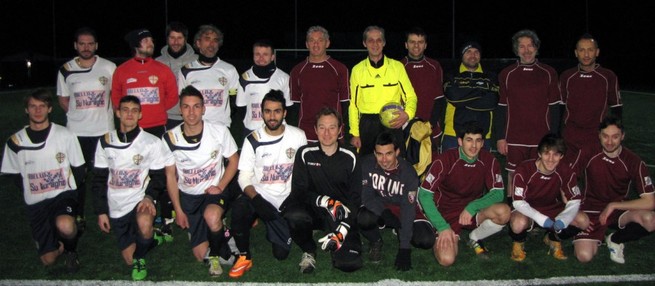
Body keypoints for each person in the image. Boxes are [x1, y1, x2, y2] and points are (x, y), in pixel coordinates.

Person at [1, 89, 85, 273]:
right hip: (36, 202)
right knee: (48, 260)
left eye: (42, 106)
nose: (37, 111)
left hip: (62, 195)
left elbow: (79, 168)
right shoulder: (15, 142)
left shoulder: (65, 135)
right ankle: (59, 243)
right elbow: (13, 174)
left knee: (65, 224)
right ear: (26, 110)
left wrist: (72, 192)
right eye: (33, 106)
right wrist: (31, 189)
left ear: (49, 109)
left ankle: (71, 250)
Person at [161, 85, 240, 276]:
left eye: (196, 106)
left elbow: (234, 160)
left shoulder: (219, 131)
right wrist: (178, 210)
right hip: (189, 197)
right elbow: (170, 176)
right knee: (199, 254)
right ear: (180, 109)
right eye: (186, 107)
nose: (191, 112)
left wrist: (220, 186)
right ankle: (224, 234)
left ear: (204, 109)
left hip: (213, 192)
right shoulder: (170, 137)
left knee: (212, 217)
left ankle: (215, 254)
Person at [230, 90, 307, 278]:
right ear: (262, 112)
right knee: (240, 207)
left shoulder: (298, 136)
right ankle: (244, 256)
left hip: (287, 199)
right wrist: (256, 200)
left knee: (281, 255)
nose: (272, 117)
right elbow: (244, 177)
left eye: (277, 111)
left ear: (285, 113)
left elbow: (303, 173)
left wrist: (295, 197)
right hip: (261, 196)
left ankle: (276, 225)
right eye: (267, 111)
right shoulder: (252, 140)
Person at [92, 96, 168, 280]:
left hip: (139, 200)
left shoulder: (151, 142)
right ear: (118, 113)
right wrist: (101, 211)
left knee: (143, 225)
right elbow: (98, 180)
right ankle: (152, 238)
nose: (129, 114)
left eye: (134, 110)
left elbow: (159, 177)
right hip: (117, 205)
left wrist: (149, 197)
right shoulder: (105, 141)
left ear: (140, 114)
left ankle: (141, 258)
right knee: (128, 258)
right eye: (125, 109)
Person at [417, 121, 509, 266]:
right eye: (469, 140)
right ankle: (445, 234)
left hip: (472, 212)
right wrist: (442, 227)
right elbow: (424, 195)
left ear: (483, 142)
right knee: (447, 259)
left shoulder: (489, 160)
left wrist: (472, 207)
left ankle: (475, 237)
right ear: (460, 141)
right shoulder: (445, 160)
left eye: (478, 141)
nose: (474, 146)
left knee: (504, 212)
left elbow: (498, 193)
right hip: (445, 213)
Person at [285, 107, 363, 273]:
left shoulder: (351, 156)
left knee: (349, 265)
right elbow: (299, 191)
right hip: (314, 212)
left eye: (332, 127)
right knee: (293, 215)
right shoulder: (305, 153)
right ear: (315, 129)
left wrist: (342, 229)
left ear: (340, 130)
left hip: (341, 214)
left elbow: (356, 199)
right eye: (322, 127)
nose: (327, 133)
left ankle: (339, 235)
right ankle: (309, 249)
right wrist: (326, 201)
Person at [56, 27, 117, 231]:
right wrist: (78, 116)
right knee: (77, 177)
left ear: (96, 45)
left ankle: (107, 211)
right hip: (76, 133)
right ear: (75, 45)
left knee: (105, 175)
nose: (86, 47)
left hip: (103, 131)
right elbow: (63, 99)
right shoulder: (66, 69)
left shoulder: (109, 67)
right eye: (82, 43)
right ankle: (78, 215)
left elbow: (116, 97)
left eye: (90, 43)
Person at [571, 116, 655, 264]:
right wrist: (573, 209)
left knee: (651, 220)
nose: (609, 142)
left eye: (615, 137)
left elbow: (650, 201)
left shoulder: (633, 161)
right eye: (605, 136)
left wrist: (614, 205)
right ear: (599, 135)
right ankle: (595, 237)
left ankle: (615, 239)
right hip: (591, 209)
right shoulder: (587, 152)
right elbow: (566, 181)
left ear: (623, 136)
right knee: (584, 256)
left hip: (619, 210)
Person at [494, 29, 561, 198]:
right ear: (516, 50)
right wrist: (500, 137)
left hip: (541, 136)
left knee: (541, 173)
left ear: (537, 48)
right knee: (513, 174)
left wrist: (553, 137)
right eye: (522, 47)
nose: (526, 50)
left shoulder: (548, 72)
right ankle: (513, 207)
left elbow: (554, 107)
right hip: (515, 137)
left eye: (530, 46)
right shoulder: (506, 74)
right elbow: (502, 107)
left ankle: (538, 206)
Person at [509, 134, 589, 262]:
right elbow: (518, 202)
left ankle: (553, 239)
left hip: (553, 208)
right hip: (528, 210)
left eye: (556, 154)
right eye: (547, 153)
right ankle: (518, 243)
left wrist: (564, 219)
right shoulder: (524, 169)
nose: (551, 159)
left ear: (561, 156)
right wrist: (541, 219)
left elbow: (574, 200)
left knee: (583, 221)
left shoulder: (566, 170)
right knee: (518, 224)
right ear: (539, 153)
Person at [359, 131, 425, 271]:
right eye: (379, 154)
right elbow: (367, 195)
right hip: (381, 206)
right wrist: (384, 213)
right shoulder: (366, 163)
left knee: (425, 240)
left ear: (397, 152)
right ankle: (375, 240)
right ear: (374, 153)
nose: (383, 160)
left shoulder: (408, 173)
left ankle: (398, 229)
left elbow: (408, 208)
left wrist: (404, 248)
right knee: (363, 218)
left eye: (388, 153)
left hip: (401, 206)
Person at [349, 25, 417, 156]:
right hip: (367, 125)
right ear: (364, 43)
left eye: (379, 40)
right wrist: (355, 133)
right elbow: (353, 105)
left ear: (384, 43)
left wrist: (408, 114)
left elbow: (411, 96)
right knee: (367, 165)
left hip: (392, 124)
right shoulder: (357, 70)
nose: (375, 44)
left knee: (396, 166)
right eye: (370, 40)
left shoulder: (397, 67)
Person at [560, 33, 622, 157]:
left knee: (594, 175)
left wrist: (616, 135)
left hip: (596, 137)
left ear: (597, 52)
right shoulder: (567, 76)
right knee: (569, 174)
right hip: (570, 137)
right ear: (576, 53)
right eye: (582, 50)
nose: (586, 54)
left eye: (590, 50)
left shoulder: (608, 76)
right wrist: (557, 134)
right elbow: (560, 107)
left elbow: (616, 107)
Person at [112, 28, 178, 138]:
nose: (151, 44)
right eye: (145, 41)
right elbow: (116, 97)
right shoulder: (121, 70)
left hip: (158, 126)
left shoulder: (163, 69)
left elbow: (173, 96)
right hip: (131, 126)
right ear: (135, 44)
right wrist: (129, 112)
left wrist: (157, 109)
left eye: (151, 41)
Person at [290, 26, 350, 142]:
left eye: (320, 41)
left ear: (327, 43)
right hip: (305, 133)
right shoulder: (297, 71)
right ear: (307, 44)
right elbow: (295, 107)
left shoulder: (340, 69)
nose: (316, 44)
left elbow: (345, 104)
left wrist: (341, 129)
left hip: (332, 133)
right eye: (312, 41)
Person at [177, 24, 239, 128]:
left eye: (215, 40)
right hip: (195, 127)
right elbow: (183, 102)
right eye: (207, 39)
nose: (212, 44)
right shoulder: (186, 71)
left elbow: (234, 100)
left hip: (221, 128)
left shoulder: (229, 69)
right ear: (198, 43)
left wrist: (222, 119)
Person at [442, 41, 499, 151]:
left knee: (481, 168)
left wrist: (463, 98)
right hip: (453, 134)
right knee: (451, 168)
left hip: (482, 136)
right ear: (462, 55)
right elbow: (454, 97)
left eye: (476, 52)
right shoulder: (451, 75)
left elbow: (492, 102)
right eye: (468, 52)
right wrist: (481, 92)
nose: (473, 55)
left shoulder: (490, 76)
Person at [401, 27, 444, 152]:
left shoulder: (434, 66)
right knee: (406, 167)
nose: (416, 45)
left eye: (420, 42)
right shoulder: (399, 67)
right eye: (412, 42)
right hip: (405, 126)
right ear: (406, 45)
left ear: (425, 45)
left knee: (430, 167)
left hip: (430, 128)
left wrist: (429, 125)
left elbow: (440, 99)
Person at [236, 39, 291, 136]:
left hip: (277, 129)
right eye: (257, 54)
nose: (261, 58)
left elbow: (289, 107)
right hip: (252, 130)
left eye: (265, 54)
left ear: (272, 56)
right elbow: (241, 107)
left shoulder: (284, 78)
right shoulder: (245, 78)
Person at [155, 21, 199, 130]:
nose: (175, 42)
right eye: (172, 38)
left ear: (185, 39)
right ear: (167, 39)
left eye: (179, 38)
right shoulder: (157, 63)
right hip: (165, 116)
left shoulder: (197, 60)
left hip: (192, 116)